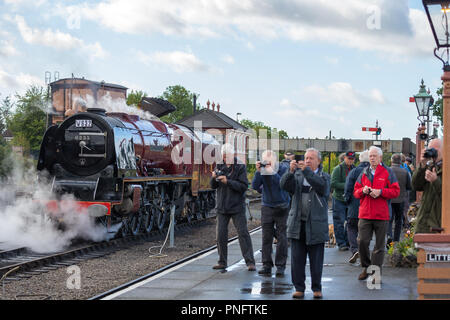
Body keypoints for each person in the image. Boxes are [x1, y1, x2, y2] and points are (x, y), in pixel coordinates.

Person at [280, 148, 330, 299]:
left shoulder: (324, 176)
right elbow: (284, 186)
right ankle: (299, 288)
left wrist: (307, 171)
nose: (307, 161)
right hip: (297, 223)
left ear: (318, 161)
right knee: (297, 259)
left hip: (316, 224)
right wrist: (290, 171)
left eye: (311, 158)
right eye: (306, 158)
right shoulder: (297, 175)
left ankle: (316, 288)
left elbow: (323, 189)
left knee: (316, 260)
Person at [353, 146, 400, 281]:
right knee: (362, 242)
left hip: (381, 214)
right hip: (365, 214)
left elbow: (396, 191)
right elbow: (356, 192)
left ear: (380, 157)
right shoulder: (363, 172)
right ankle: (366, 267)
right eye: (370, 156)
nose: (372, 158)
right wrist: (363, 190)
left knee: (379, 247)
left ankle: (375, 273)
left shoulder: (388, 172)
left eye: (374, 156)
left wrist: (381, 192)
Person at [211, 143, 256, 271]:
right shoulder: (219, 165)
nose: (226, 159)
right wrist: (214, 178)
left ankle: (250, 262)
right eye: (224, 156)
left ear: (233, 154)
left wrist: (228, 182)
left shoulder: (240, 167)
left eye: (228, 156)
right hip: (222, 206)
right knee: (220, 235)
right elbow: (213, 186)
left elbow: (243, 186)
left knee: (243, 233)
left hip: (237, 206)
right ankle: (222, 261)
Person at [252, 150, 290, 276]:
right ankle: (266, 264)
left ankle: (280, 266)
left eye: (269, 161)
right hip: (267, 205)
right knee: (266, 236)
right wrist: (258, 172)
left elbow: (282, 184)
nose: (267, 163)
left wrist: (271, 172)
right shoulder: (262, 169)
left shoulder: (284, 168)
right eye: (265, 161)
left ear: (275, 160)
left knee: (281, 236)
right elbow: (255, 186)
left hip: (282, 205)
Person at [344, 150, 370, 264]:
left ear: (360, 160)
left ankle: (354, 249)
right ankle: (364, 251)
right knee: (365, 230)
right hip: (368, 207)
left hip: (354, 206)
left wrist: (348, 201)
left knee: (351, 227)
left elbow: (348, 188)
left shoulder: (354, 172)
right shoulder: (372, 172)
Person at [412, 138, 443, 234]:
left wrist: (435, 181)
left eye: (435, 150)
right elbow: (416, 186)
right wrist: (422, 165)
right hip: (423, 225)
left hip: (438, 227)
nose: (432, 153)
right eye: (430, 150)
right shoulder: (431, 167)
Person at [331, 151, 356, 251]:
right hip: (339, 199)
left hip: (350, 199)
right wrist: (347, 186)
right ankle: (341, 243)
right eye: (349, 158)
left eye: (352, 158)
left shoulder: (355, 169)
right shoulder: (338, 169)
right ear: (344, 158)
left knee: (350, 221)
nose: (350, 160)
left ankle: (347, 241)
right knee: (339, 222)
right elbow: (333, 183)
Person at [388, 154, 412, 244]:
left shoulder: (387, 171)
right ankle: (396, 239)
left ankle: (389, 236)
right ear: (401, 161)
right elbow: (409, 186)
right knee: (398, 220)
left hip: (389, 199)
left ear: (391, 161)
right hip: (400, 199)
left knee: (389, 219)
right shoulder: (405, 172)